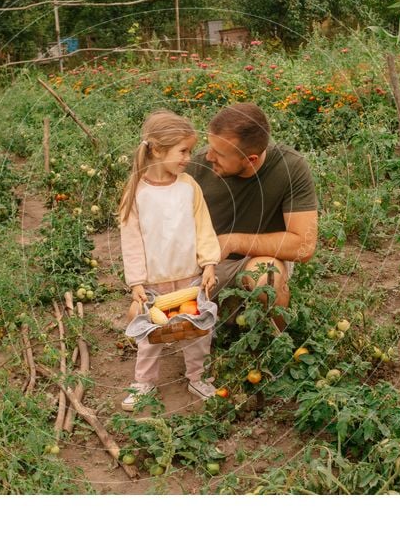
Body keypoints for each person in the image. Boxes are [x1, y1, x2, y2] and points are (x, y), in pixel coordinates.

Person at [119, 110, 221, 411]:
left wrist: (209, 264)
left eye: (189, 151)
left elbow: (204, 226)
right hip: (155, 281)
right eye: (182, 151)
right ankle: (144, 383)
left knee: (196, 331)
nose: (188, 158)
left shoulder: (188, 186)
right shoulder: (136, 192)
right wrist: (136, 282)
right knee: (152, 335)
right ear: (157, 150)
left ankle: (197, 376)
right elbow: (132, 240)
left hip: (188, 276)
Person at [189, 103, 318, 326]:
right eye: (209, 146)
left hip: (252, 262)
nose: (209, 156)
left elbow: (303, 246)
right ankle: (222, 318)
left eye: (219, 154)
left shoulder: (290, 167)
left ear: (251, 159)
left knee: (269, 275)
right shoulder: (195, 168)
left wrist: (233, 241)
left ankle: (272, 349)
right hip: (205, 266)